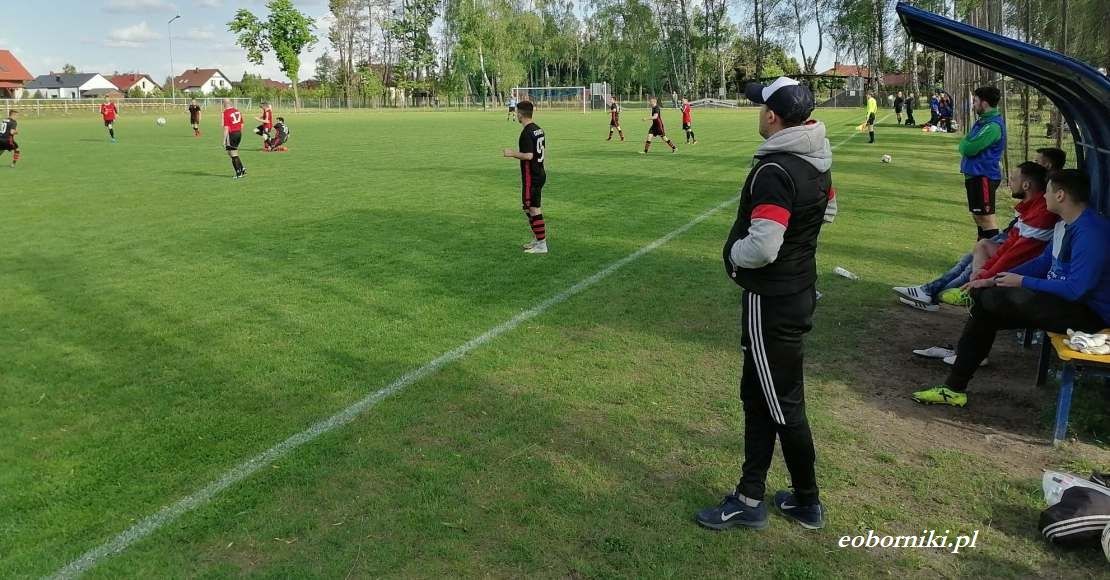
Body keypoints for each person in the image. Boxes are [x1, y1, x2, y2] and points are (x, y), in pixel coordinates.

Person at [697, 76, 833, 532]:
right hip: (795, 291)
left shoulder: (776, 170)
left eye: (760, 106)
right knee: (759, 396)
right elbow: (828, 211)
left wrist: (734, 254)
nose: (757, 112)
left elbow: (763, 246)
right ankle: (750, 495)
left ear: (772, 116)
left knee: (780, 405)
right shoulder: (816, 157)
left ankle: (805, 501)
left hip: (772, 300)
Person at [912, 170, 1110, 407]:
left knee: (991, 301)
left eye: (1047, 191)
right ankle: (953, 389)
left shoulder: (1091, 232)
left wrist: (1022, 281)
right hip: (1063, 301)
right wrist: (992, 279)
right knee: (985, 305)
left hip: (1089, 314)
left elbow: (1077, 289)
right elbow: (1042, 263)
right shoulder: (1063, 224)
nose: (1043, 196)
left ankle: (955, 385)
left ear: (1060, 195)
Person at [893, 161, 1056, 310]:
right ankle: (932, 291)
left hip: (1024, 268)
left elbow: (1014, 256)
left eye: (1013, 179)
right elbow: (1009, 246)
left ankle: (935, 294)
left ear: (1026, 185)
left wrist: (985, 276)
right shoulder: (1031, 207)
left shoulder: (1041, 214)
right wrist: (983, 271)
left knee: (975, 260)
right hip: (1018, 260)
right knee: (980, 248)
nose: (1009, 183)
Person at [960, 86, 1006, 241]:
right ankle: (981, 251)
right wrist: (966, 143)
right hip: (975, 175)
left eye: (975, 101)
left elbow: (968, 148)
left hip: (983, 176)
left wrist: (965, 144)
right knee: (978, 217)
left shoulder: (992, 126)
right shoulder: (983, 122)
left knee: (987, 219)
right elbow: (967, 144)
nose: (973, 105)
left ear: (984, 103)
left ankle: (993, 252)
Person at [502, 100, 548, 254]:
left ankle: (542, 245)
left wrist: (511, 153)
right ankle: (538, 239)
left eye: (517, 112)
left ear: (521, 114)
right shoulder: (538, 129)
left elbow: (528, 155)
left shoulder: (526, 133)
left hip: (531, 176)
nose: (516, 115)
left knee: (533, 208)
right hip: (539, 172)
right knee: (528, 207)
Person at [222, 98, 247, 179]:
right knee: (231, 152)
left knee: (233, 154)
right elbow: (242, 124)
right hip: (238, 133)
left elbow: (226, 127)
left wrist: (224, 140)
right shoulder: (237, 111)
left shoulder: (226, 112)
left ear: (225, 104)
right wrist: (238, 132)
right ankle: (242, 169)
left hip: (231, 134)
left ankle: (238, 173)